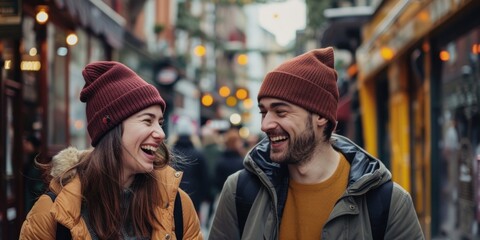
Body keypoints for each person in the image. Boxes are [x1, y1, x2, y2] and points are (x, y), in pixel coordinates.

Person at [208, 47, 424, 239]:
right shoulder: (239, 191)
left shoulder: (388, 203)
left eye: (280, 112)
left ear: (320, 116)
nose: (266, 124)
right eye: (263, 112)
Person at [20, 61, 202, 239]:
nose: (161, 133)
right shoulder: (52, 213)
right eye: (147, 120)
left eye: (160, 123)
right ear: (110, 128)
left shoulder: (176, 205)